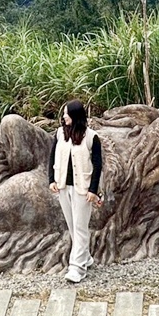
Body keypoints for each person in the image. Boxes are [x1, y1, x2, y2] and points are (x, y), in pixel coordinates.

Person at [47, 99, 103, 283]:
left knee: (80, 227)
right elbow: (52, 156)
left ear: (75, 115)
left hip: (83, 189)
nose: (63, 116)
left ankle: (77, 268)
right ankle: (85, 258)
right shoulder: (59, 133)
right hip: (63, 186)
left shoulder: (91, 137)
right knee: (72, 227)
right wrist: (51, 180)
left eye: (66, 113)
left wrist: (94, 190)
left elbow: (97, 165)